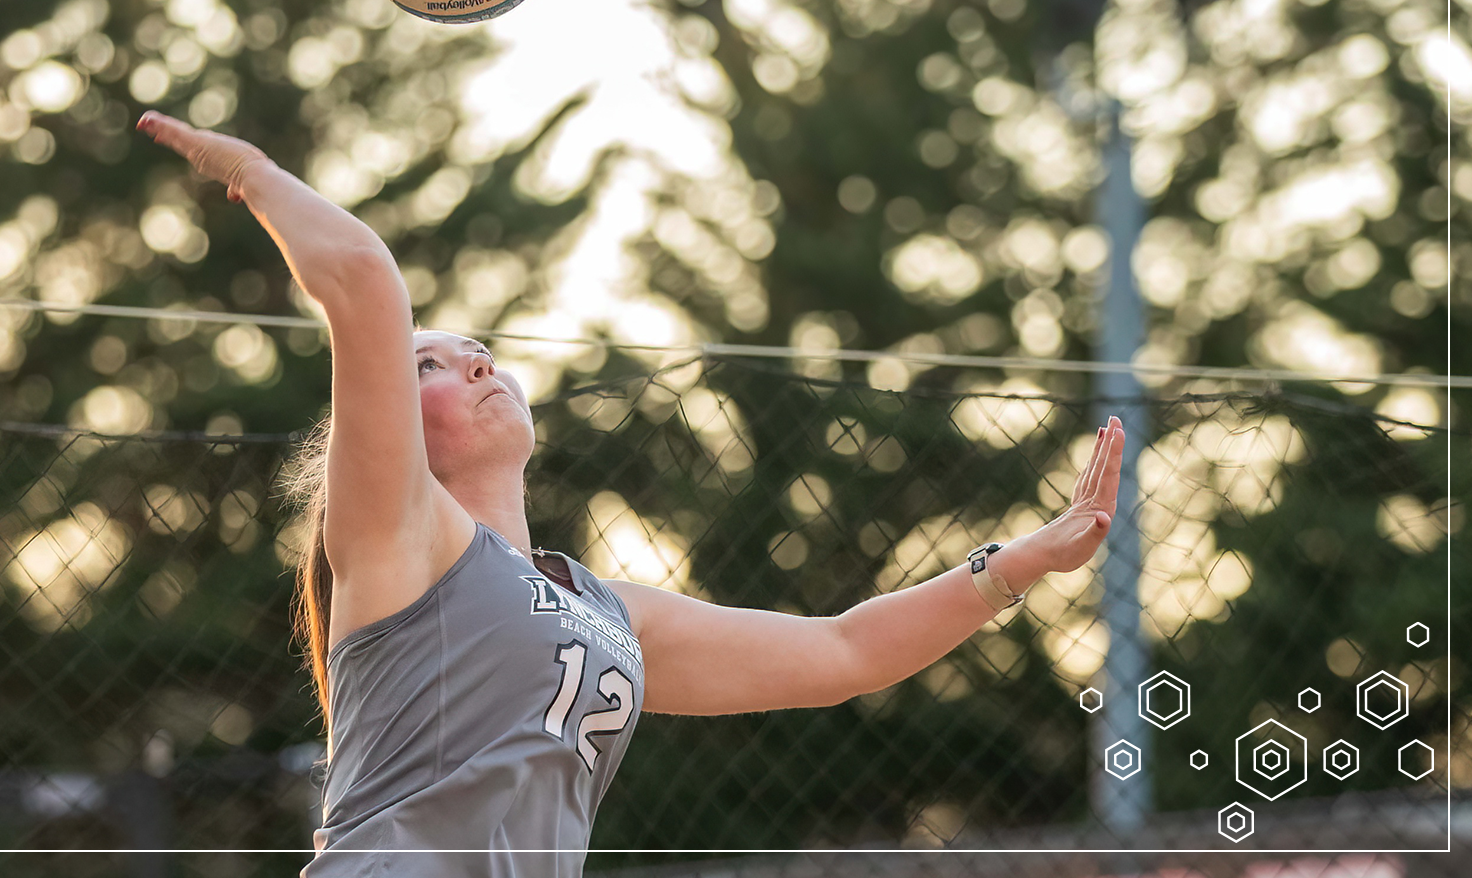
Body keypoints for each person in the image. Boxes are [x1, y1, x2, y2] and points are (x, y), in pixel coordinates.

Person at [136, 111, 1125, 877]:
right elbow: (361, 282)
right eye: (433, 364)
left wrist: (1022, 564)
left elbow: (844, 651)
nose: (476, 361)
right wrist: (255, 175)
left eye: (478, 351)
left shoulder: (606, 613)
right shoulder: (400, 536)